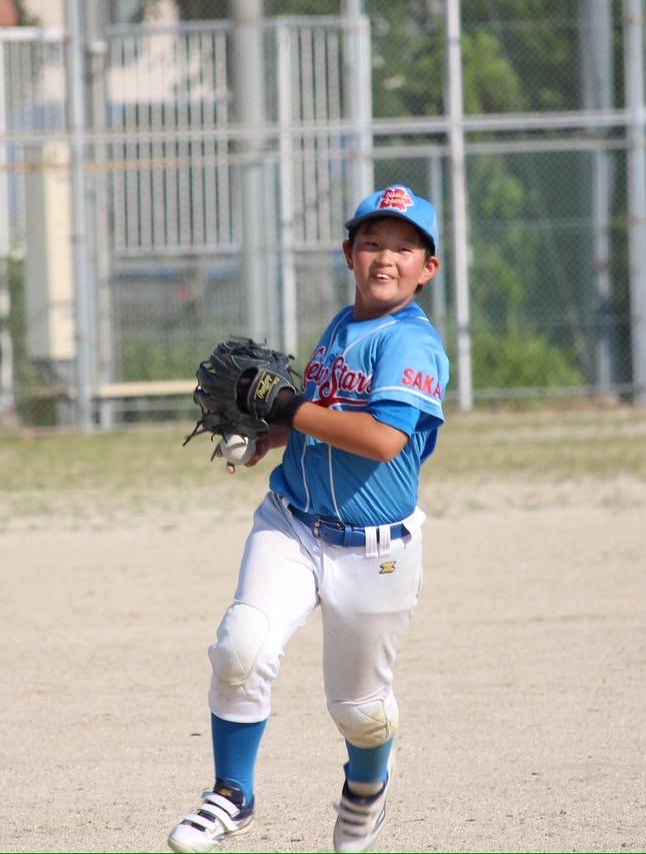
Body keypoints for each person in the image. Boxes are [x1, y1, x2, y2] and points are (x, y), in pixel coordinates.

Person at [168, 184, 450, 854]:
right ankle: (232, 792)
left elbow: (381, 439)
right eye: (372, 243)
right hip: (291, 521)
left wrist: (290, 408)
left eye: (403, 248)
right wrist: (274, 436)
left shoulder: (410, 343)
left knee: (360, 710)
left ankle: (366, 790)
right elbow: (326, 420)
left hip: (374, 552)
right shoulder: (342, 325)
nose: (386, 258)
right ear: (349, 253)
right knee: (241, 648)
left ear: (427, 268)